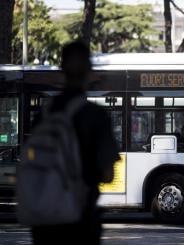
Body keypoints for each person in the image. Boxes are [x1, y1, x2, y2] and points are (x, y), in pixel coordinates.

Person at [31, 41, 119, 245]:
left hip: (45, 224)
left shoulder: (43, 114)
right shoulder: (96, 115)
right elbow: (108, 175)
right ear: (89, 71)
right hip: (80, 221)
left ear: (62, 69)